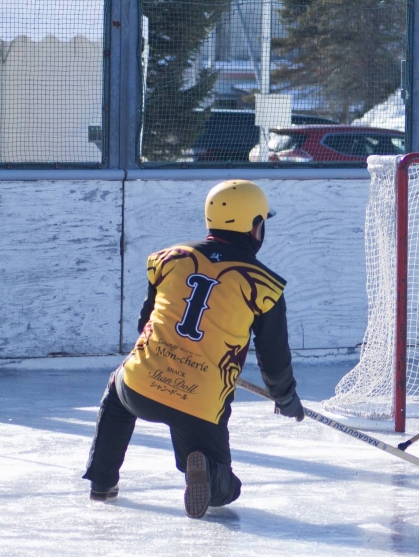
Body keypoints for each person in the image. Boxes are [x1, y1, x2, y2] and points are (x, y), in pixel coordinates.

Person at [83, 180, 305, 519]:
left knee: (118, 388)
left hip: (141, 384)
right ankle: (208, 473)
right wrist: (285, 398)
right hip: (200, 403)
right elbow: (273, 358)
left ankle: (102, 482)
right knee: (224, 491)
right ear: (256, 227)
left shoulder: (169, 258)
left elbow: (147, 323)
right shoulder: (266, 286)